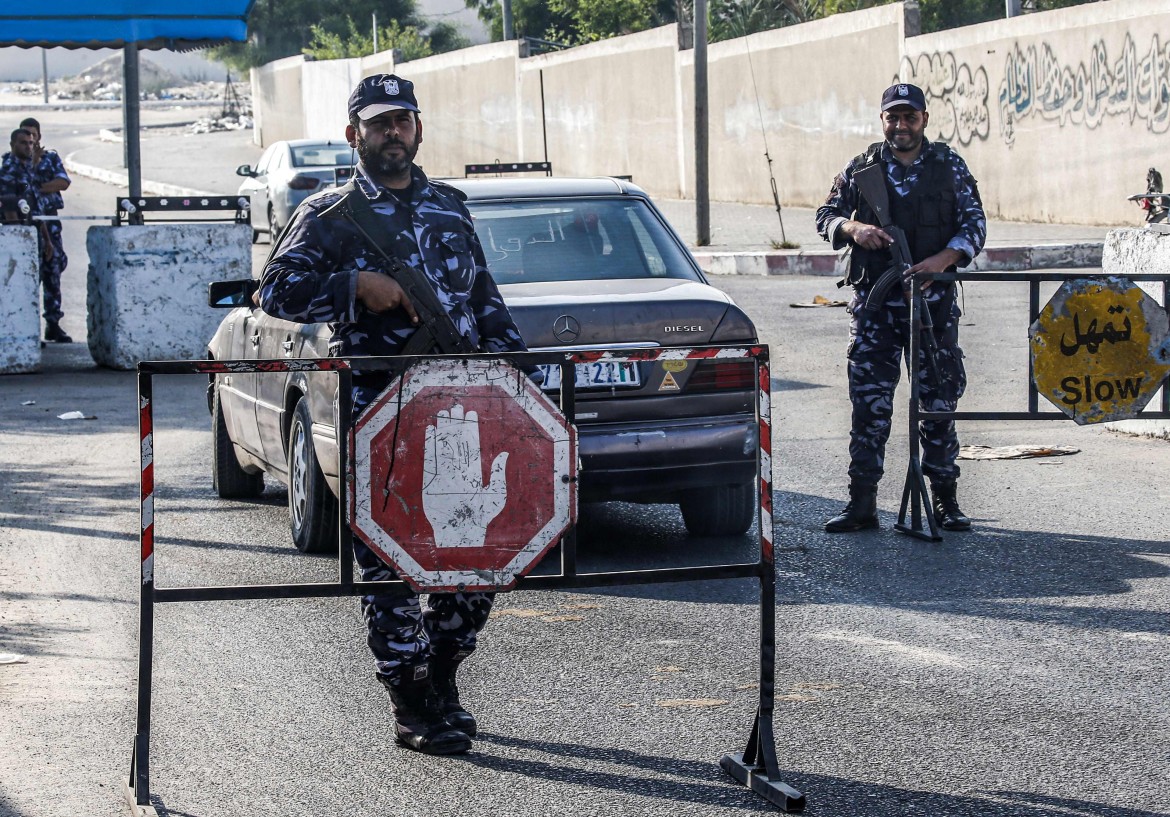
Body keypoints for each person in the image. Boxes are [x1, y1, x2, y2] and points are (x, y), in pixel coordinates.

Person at [260, 74, 529, 755]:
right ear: (355, 134)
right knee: (390, 565)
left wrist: (520, 389)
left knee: (476, 556)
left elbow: (485, 300)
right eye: (378, 123)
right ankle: (410, 700)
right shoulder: (330, 214)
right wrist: (355, 288)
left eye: (402, 121)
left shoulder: (449, 208)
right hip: (378, 412)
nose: (392, 133)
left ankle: (440, 674)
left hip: (463, 411)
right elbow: (276, 291)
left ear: (418, 128)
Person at [815, 82, 986, 534]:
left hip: (932, 307)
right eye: (893, 116)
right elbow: (825, 216)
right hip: (875, 307)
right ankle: (862, 502)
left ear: (924, 119)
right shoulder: (862, 167)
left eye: (910, 116)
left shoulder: (948, 167)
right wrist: (854, 229)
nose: (901, 125)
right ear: (883, 120)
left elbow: (975, 225)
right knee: (869, 406)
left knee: (938, 404)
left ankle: (946, 500)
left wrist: (944, 260)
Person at [4, 118, 72, 342]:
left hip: (46, 220)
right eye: (24, 140)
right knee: (25, 275)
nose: (29, 144)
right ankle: (25, 327)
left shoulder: (50, 157)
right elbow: (13, 199)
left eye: (32, 139)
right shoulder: (11, 164)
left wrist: (37, 188)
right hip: (23, 224)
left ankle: (53, 322)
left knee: (53, 268)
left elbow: (62, 181)